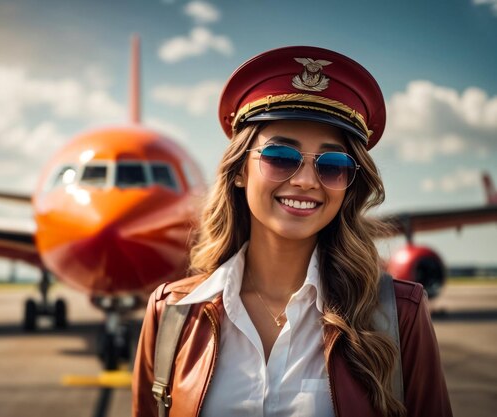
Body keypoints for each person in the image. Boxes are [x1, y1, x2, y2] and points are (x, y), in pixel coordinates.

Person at [132, 46, 452, 417]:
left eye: (333, 165)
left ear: (349, 184)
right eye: (280, 157)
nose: (305, 181)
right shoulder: (171, 312)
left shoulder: (401, 316)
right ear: (239, 171)